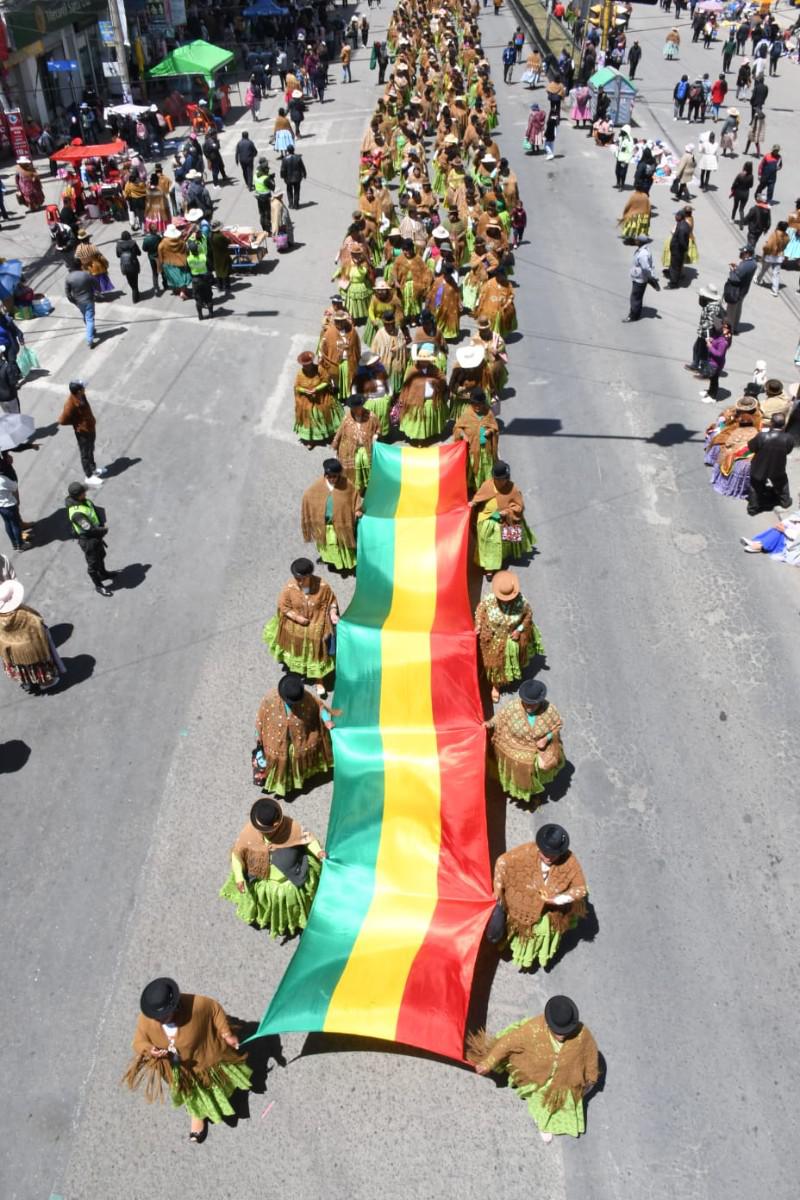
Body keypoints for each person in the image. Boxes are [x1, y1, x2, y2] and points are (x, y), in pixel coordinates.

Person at [124, 978, 251, 1143]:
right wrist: (149, 1049)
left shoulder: (196, 1005)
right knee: (190, 1093)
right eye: (157, 1017)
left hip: (203, 1060)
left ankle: (220, 1100)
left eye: (164, 1016)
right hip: (178, 1070)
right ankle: (197, 1114)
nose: (160, 1020)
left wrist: (227, 1034)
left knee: (214, 1085)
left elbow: (215, 1009)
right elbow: (138, 1041)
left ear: (175, 1005)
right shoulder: (147, 1020)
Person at [468, 995, 600, 1143]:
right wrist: (488, 1062)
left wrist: (591, 1077)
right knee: (541, 1103)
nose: (562, 1035)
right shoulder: (533, 1030)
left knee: (562, 1104)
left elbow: (590, 1054)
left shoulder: (583, 1034)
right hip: (538, 1077)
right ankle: (543, 1123)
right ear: (549, 1025)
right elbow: (508, 1043)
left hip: (562, 1081)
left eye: (565, 1031)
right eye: (558, 1031)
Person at [220, 797, 326, 934]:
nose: (262, 832)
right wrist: (239, 877)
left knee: (292, 906)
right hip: (264, 883)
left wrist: (318, 852)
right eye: (260, 828)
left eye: (267, 829)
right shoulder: (249, 832)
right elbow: (237, 854)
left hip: (291, 881)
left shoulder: (292, 827)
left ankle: (294, 920)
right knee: (272, 907)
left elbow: (308, 839)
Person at [490, 824, 587, 970]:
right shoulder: (525, 852)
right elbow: (502, 862)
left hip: (549, 912)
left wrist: (556, 899)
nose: (548, 858)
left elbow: (580, 889)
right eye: (545, 853)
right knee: (518, 929)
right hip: (524, 904)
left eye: (553, 854)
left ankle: (530, 955)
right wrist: (498, 891)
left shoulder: (570, 862)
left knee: (538, 935)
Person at [254, 672, 334, 796]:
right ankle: (281, 786)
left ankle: (294, 782)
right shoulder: (270, 699)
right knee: (281, 765)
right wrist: (258, 736)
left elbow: (319, 706)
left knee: (294, 763)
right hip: (276, 744)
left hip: (298, 743)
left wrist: (327, 720)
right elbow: (261, 718)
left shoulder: (305, 698)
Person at [486, 678, 565, 804]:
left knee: (543, 766)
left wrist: (546, 738)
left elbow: (558, 725)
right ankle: (522, 790)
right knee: (520, 771)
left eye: (533, 704)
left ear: (540, 701)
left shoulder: (549, 710)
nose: (529, 707)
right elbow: (499, 717)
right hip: (515, 746)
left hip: (539, 746)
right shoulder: (513, 707)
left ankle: (533, 790)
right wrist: (489, 724)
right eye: (526, 703)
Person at [262, 556, 339, 685]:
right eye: (297, 578)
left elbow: (332, 601)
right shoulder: (289, 587)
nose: (299, 581)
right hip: (295, 624)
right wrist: (297, 618)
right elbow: (283, 606)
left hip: (318, 622)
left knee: (317, 648)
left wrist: (333, 613)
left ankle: (319, 679)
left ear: (309, 576)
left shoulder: (323, 586)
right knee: (296, 647)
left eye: (301, 578)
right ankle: (299, 669)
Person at [474, 569, 542, 702]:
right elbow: (480, 610)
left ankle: (496, 686)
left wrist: (519, 629)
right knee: (488, 662)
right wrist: (478, 625)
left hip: (508, 640)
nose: (505, 601)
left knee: (500, 666)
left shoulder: (522, 603)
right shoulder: (489, 600)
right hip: (490, 638)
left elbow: (528, 616)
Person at [0, 579, 65, 693]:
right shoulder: (24, 614)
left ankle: (27, 682)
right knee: (36, 666)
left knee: (20, 667)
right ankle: (45, 683)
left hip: (10, 650)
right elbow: (38, 624)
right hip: (30, 650)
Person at [470, 460, 535, 574]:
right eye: (499, 479)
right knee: (490, 541)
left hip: (506, 521)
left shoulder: (513, 488)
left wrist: (508, 512)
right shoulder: (487, 485)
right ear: (494, 478)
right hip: (487, 519)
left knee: (503, 542)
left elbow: (519, 507)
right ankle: (489, 569)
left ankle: (501, 558)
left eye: (504, 479)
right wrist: (473, 503)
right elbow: (478, 498)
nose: (502, 482)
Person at [300, 457, 362, 572]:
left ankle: (345, 565)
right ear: (326, 474)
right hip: (325, 526)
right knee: (329, 546)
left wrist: (357, 509)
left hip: (341, 526)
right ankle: (331, 561)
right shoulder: (317, 487)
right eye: (330, 476)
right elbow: (307, 497)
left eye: (336, 476)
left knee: (342, 546)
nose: (333, 479)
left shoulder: (346, 484)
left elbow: (355, 496)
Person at [65, 481, 118, 596]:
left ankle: (103, 573)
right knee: (93, 565)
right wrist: (104, 530)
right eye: (84, 492)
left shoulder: (84, 501)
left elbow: (94, 511)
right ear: (78, 495)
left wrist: (101, 523)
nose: (86, 493)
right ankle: (99, 586)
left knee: (101, 555)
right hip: (88, 540)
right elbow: (89, 529)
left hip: (96, 537)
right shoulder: (76, 514)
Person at [58, 381, 106, 485]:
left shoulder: (82, 395)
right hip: (82, 432)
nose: (85, 389)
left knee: (91, 448)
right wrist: (77, 424)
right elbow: (62, 420)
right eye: (83, 388)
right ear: (79, 391)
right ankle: (88, 476)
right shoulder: (70, 405)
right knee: (85, 453)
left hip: (90, 427)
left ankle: (93, 469)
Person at [397, 349, 448, 444]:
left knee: (429, 420)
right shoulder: (412, 370)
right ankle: (418, 439)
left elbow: (443, 379)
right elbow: (406, 385)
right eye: (422, 360)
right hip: (415, 402)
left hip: (431, 400)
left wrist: (435, 382)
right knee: (417, 422)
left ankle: (429, 435)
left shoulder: (434, 369)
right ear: (418, 360)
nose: (424, 362)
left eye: (426, 360)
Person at [453, 388, 499, 492]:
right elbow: (457, 428)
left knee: (486, 470)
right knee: (473, 470)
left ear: (483, 403)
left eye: (480, 404)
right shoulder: (467, 414)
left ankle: (485, 489)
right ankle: (473, 489)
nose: (477, 407)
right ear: (471, 403)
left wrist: (491, 431)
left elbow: (495, 427)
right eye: (475, 404)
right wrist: (462, 434)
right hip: (472, 451)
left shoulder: (488, 413)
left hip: (486, 451)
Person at [331, 395, 380, 491]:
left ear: (361, 406)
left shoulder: (371, 416)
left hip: (366, 447)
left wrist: (376, 435)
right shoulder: (347, 417)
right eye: (353, 408)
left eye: (357, 408)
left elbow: (378, 427)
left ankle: (368, 485)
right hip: (349, 449)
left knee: (366, 463)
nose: (355, 410)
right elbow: (340, 431)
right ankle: (357, 488)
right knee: (354, 467)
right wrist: (335, 443)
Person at [747, 413, 793, 514]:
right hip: (778, 467)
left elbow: (751, 447)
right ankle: (785, 502)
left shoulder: (762, 436)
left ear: (772, 423)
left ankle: (753, 509)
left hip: (759, 467)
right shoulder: (789, 438)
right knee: (782, 484)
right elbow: (788, 451)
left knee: (755, 487)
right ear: (784, 424)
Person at [293, 351, 341, 445]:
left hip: (322, 397)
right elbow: (297, 387)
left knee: (326, 412)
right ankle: (311, 439)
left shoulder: (320, 369)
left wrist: (317, 389)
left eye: (309, 364)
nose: (307, 367)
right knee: (309, 416)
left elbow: (326, 381)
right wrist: (304, 390)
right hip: (306, 400)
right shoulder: (300, 374)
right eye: (305, 365)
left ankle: (330, 434)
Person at [686, 284, 724, 375]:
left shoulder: (712, 307)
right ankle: (696, 364)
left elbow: (711, 321)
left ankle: (703, 369)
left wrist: (706, 334)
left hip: (707, 334)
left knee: (703, 351)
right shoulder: (710, 305)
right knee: (697, 348)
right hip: (704, 332)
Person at [65, 260, 99, 348]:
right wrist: (97, 292)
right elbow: (96, 284)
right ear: (80, 266)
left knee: (85, 316)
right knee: (90, 319)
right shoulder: (86, 275)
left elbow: (68, 293)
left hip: (78, 302)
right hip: (89, 300)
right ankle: (90, 340)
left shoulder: (69, 278)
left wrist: (73, 301)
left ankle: (91, 330)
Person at [724, 247, 757, 333]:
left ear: (747, 254)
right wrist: (737, 268)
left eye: (742, 253)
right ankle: (734, 327)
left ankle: (728, 330)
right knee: (737, 309)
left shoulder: (746, 264)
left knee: (731, 310)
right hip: (743, 290)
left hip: (736, 290)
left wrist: (732, 270)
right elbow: (742, 273)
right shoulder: (752, 263)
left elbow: (735, 278)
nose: (741, 254)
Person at [698, 321, 732, 402]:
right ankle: (710, 392)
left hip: (716, 363)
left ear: (729, 330)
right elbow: (717, 342)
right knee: (712, 379)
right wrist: (712, 340)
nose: (723, 328)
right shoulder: (722, 337)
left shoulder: (724, 342)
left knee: (714, 380)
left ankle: (712, 397)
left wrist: (710, 347)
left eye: (725, 327)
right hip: (714, 361)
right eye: (723, 326)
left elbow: (719, 354)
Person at [157, 224, 192, 298]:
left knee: (174, 278)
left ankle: (177, 290)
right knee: (182, 277)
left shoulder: (162, 244)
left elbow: (160, 256)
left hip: (168, 264)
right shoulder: (181, 242)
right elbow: (186, 251)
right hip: (181, 262)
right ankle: (182, 291)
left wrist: (160, 267)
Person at [756, 221, 789, 296]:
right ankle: (775, 290)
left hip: (770, 256)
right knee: (776, 273)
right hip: (779, 256)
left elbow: (768, 246)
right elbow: (785, 246)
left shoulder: (775, 234)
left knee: (764, 269)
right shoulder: (787, 236)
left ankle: (758, 279)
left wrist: (764, 252)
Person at [665, 209, 691, 288]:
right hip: (678, 249)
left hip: (678, 250)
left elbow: (681, 240)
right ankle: (676, 276)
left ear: (680, 217)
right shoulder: (683, 224)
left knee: (675, 266)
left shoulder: (682, 227)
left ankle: (673, 283)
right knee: (676, 265)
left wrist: (683, 248)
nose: (675, 217)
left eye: (676, 215)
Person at [115, 230, 141, 303]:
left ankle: (135, 291)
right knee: (135, 280)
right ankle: (135, 295)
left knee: (130, 280)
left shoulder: (118, 244)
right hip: (134, 264)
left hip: (125, 265)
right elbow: (139, 253)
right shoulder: (133, 243)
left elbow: (118, 255)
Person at [209, 221, 231, 292]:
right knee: (225, 271)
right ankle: (227, 286)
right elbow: (227, 242)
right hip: (223, 255)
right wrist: (228, 238)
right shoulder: (219, 236)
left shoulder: (211, 235)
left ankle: (220, 286)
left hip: (215, 255)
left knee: (218, 271)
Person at [254, 157, 275, 232]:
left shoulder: (256, 174)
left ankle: (264, 228)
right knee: (267, 213)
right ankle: (268, 229)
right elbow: (273, 187)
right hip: (266, 197)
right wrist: (271, 179)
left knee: (262, 213)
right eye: (267, 169)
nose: (268, 170)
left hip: (259, 196)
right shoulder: (266, 178)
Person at [0, 349, 21, 414]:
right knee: (16, 417)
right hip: (10, 397)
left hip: (1, 398)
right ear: (1, 354)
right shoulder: (7, 366)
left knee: (8, 417)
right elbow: (13, 383)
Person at [613, 125, 634, 189]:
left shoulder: (629, 140)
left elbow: (630, 152)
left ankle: (622, 185)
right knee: (617, 171)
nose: (621, 132)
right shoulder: (621, 137)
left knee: (622, 173)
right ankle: (618, 183)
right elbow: (618, 144)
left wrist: (627, 161)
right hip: (619, 158)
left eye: (622, 131)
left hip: (624, 160)